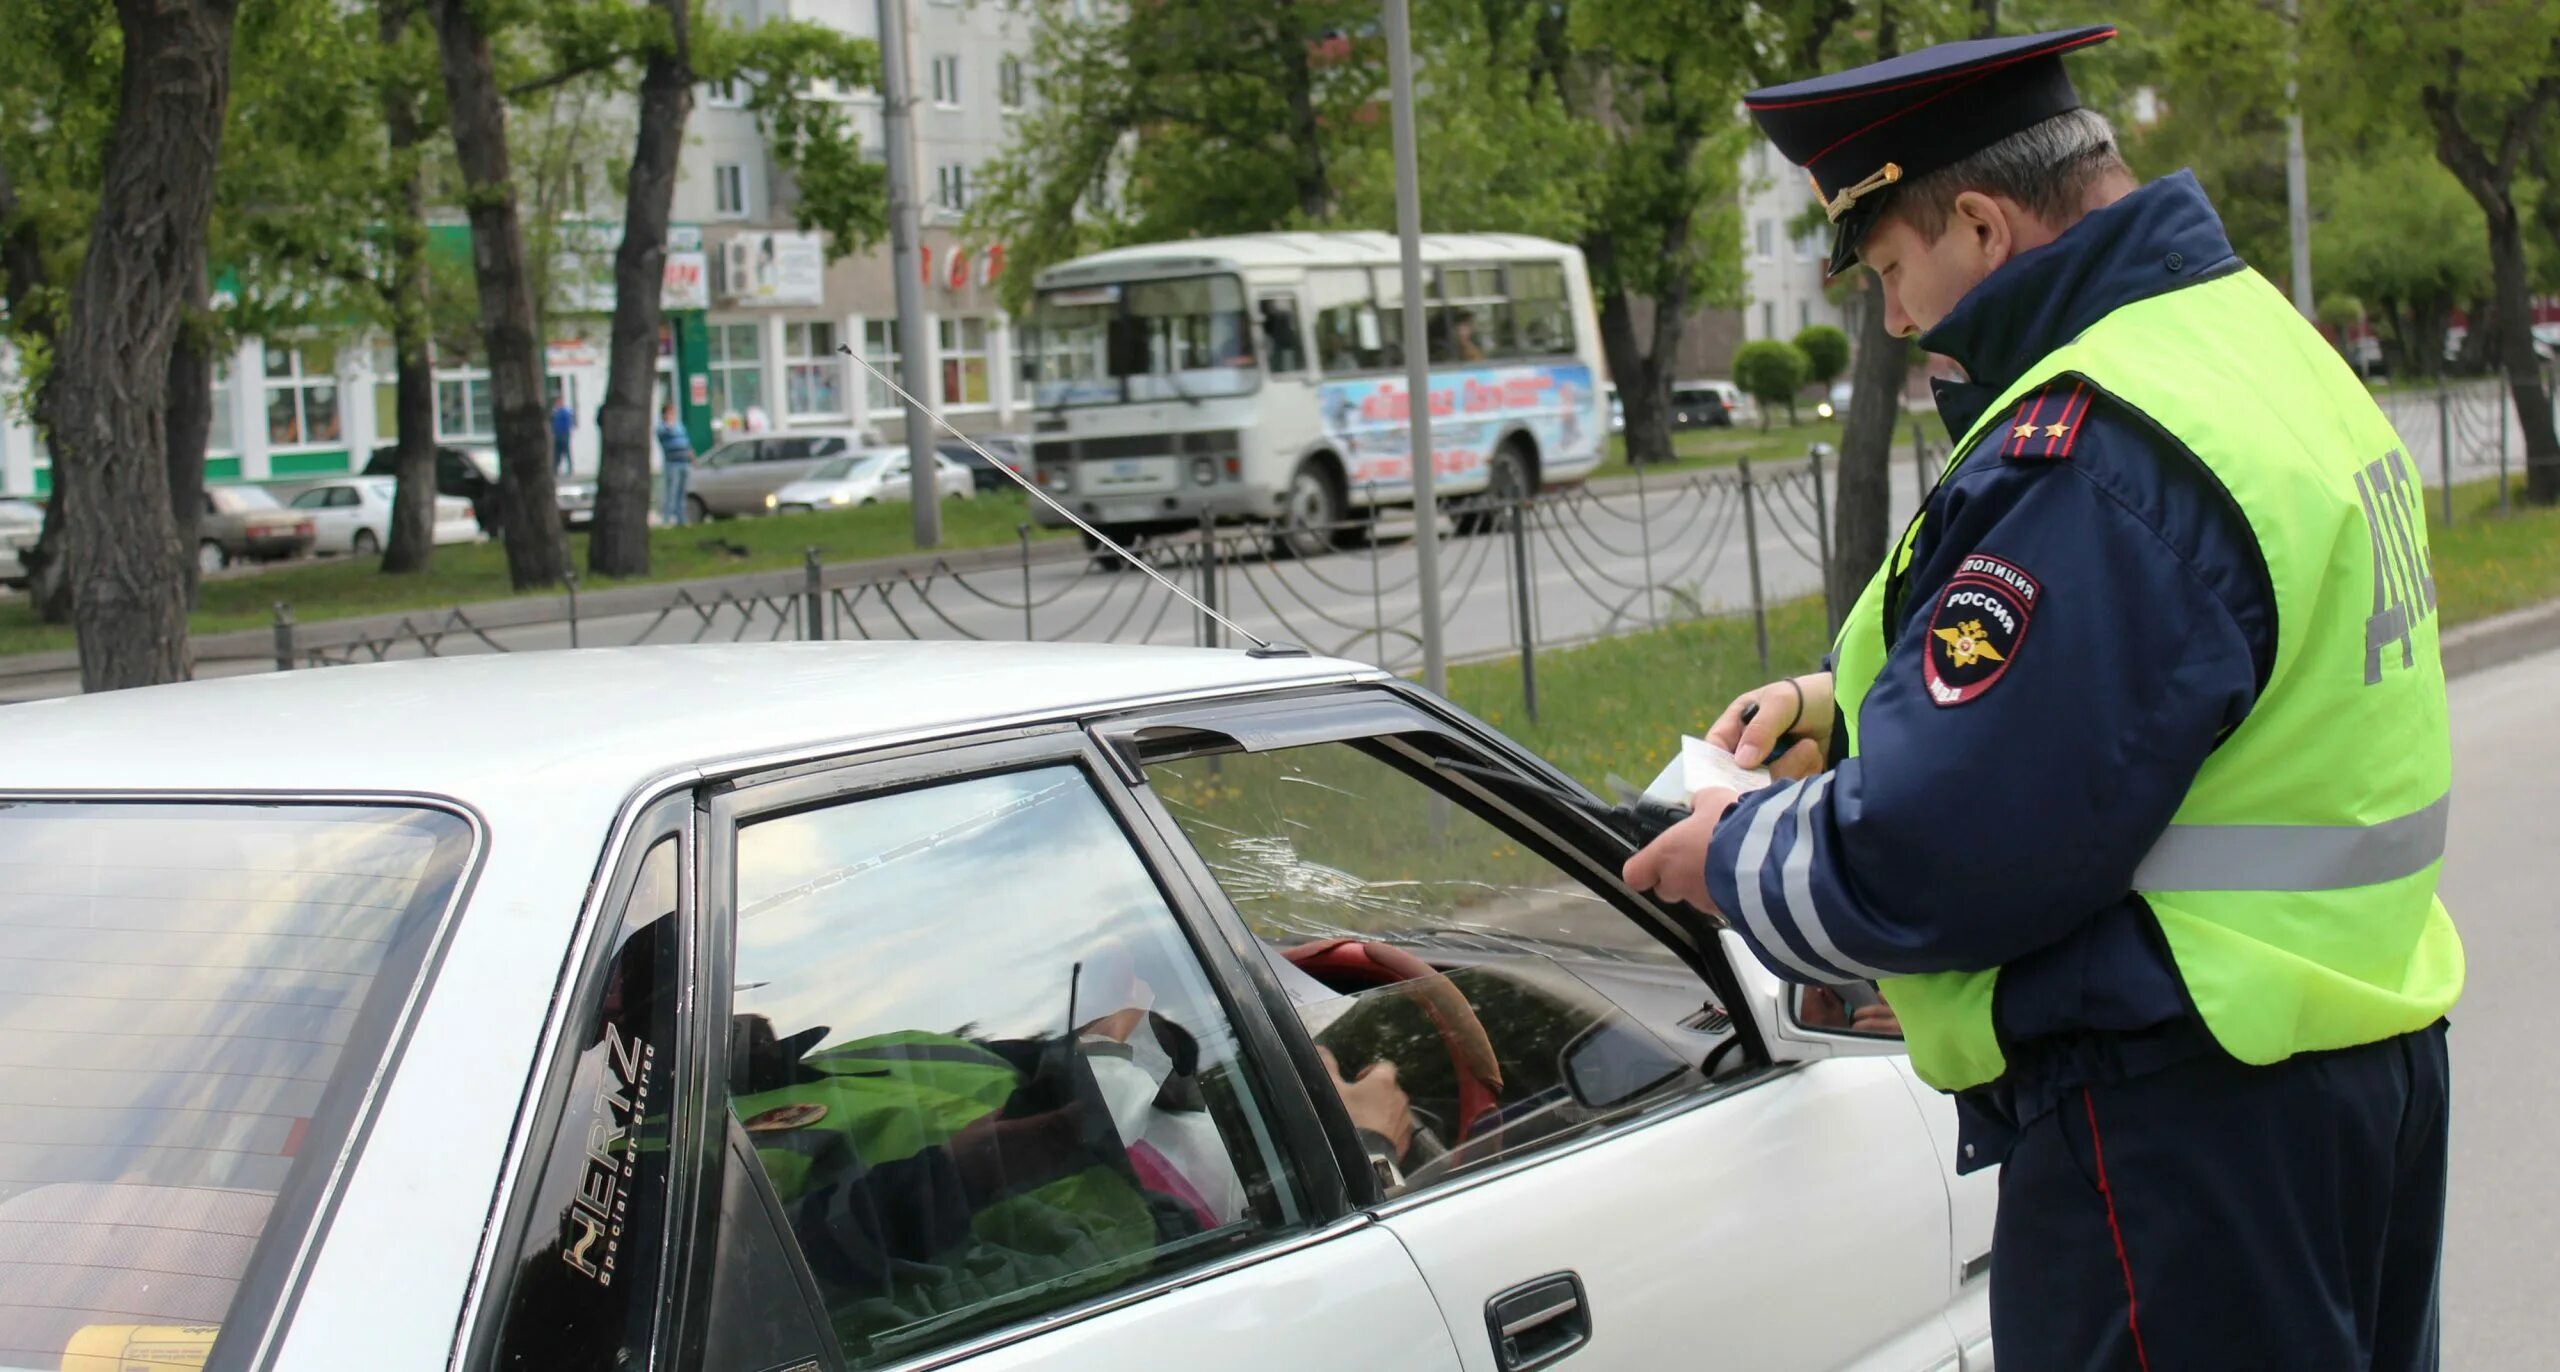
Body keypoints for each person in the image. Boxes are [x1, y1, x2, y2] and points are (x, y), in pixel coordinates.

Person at [1621, 25, 2459, 1371]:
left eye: (1892, 269)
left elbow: (1936, 854)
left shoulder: (2095, 442)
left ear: (1983, 225)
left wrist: (1730, 852)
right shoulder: (2246, 347)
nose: (1896, 319)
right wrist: (1838, 701)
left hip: (2185, 1120)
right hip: (2355, 1068)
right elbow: (2184, 647)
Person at [654, 404, 693, 525]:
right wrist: (670, 424)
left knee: (681, 493)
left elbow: (686, 442)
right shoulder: (662, 427)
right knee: (671, 491)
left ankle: (681, 519)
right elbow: (666, 434)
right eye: (670, 412)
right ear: (664, 414)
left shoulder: (679, 426)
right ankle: (667, 519)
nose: (672, 415)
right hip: (672, 463)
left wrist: (692, 457)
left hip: (684, 462)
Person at [549, 395, 575, 476]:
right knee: (557, 453)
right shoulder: (555, 413)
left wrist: (566, 432)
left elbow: (568, 423)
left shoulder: (565, 412)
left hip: (564, 434)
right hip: (557, 435)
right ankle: (555, 469)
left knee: (566, 452)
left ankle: (570, 469)